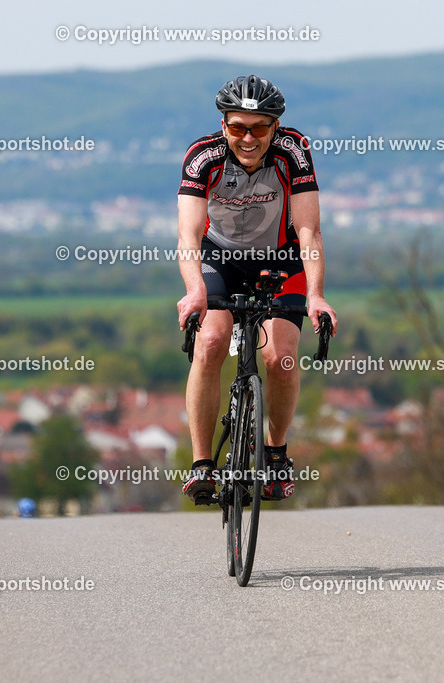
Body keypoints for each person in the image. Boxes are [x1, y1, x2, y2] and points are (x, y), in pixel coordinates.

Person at [176, 74, 337, 503]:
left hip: (281, 258)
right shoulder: (202, 157)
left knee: (280, 357)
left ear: (275, 127)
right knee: (210, 342)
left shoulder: (293, 153)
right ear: (223, 124)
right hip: (220, 258)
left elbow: (309, 232)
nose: (248, 138)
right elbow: (189, 237)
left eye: (259, 128)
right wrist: (195, 292)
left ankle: (277, 454)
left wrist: (316, 295)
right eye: (237, 127)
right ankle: (202, 464)